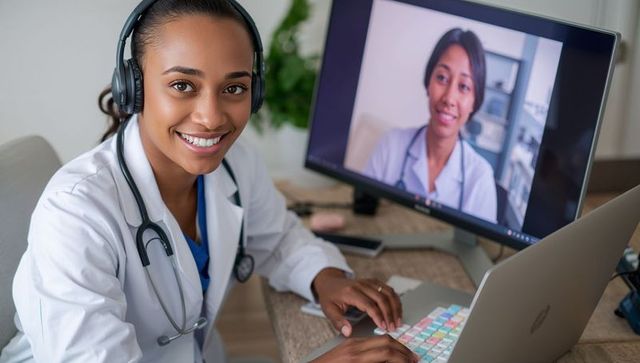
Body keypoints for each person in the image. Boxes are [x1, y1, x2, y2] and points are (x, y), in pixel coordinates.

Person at [0, 1, 419, 362]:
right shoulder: (76, 214)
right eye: (183, 85)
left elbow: (278, 238)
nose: (212, 116)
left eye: (234, 87)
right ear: (136, 88)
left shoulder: (235, 164)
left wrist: (325, 278)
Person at [364, 28, 497, 223]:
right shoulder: (390, 145)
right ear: (428, 82)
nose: (449, 98)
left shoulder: (480, 178)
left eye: (464, 86)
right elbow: (362, 211)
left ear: (474, 103)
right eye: (442, 78)